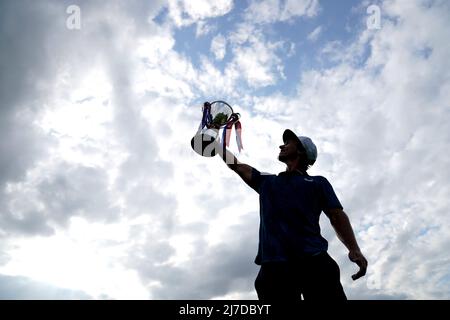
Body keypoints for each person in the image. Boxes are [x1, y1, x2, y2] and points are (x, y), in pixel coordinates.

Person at [216, 129, 368, 301]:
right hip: (274, 268)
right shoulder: (268, 182)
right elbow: (237, 166)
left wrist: (354, 249)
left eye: (288, 143)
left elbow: (336, 216)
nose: (282, 145)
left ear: (301, 151)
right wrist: (216, 146)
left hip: (314, 262)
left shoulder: (318, 183)